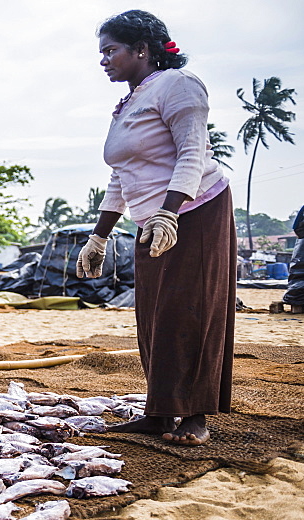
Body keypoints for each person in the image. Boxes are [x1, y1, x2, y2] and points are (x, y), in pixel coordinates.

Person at [77, 10, 234, 445]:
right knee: (155, 318)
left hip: (195, 211)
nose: (104, 60)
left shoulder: (178, 86)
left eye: (111, 51)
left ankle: (195, 416)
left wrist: (170, 211)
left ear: (142, 50)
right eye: (101, 52)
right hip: (152, 220)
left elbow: (192, 153)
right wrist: (99, 235)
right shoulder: (129, 102)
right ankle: (161, 412)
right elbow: (120, 176)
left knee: (190, 311)